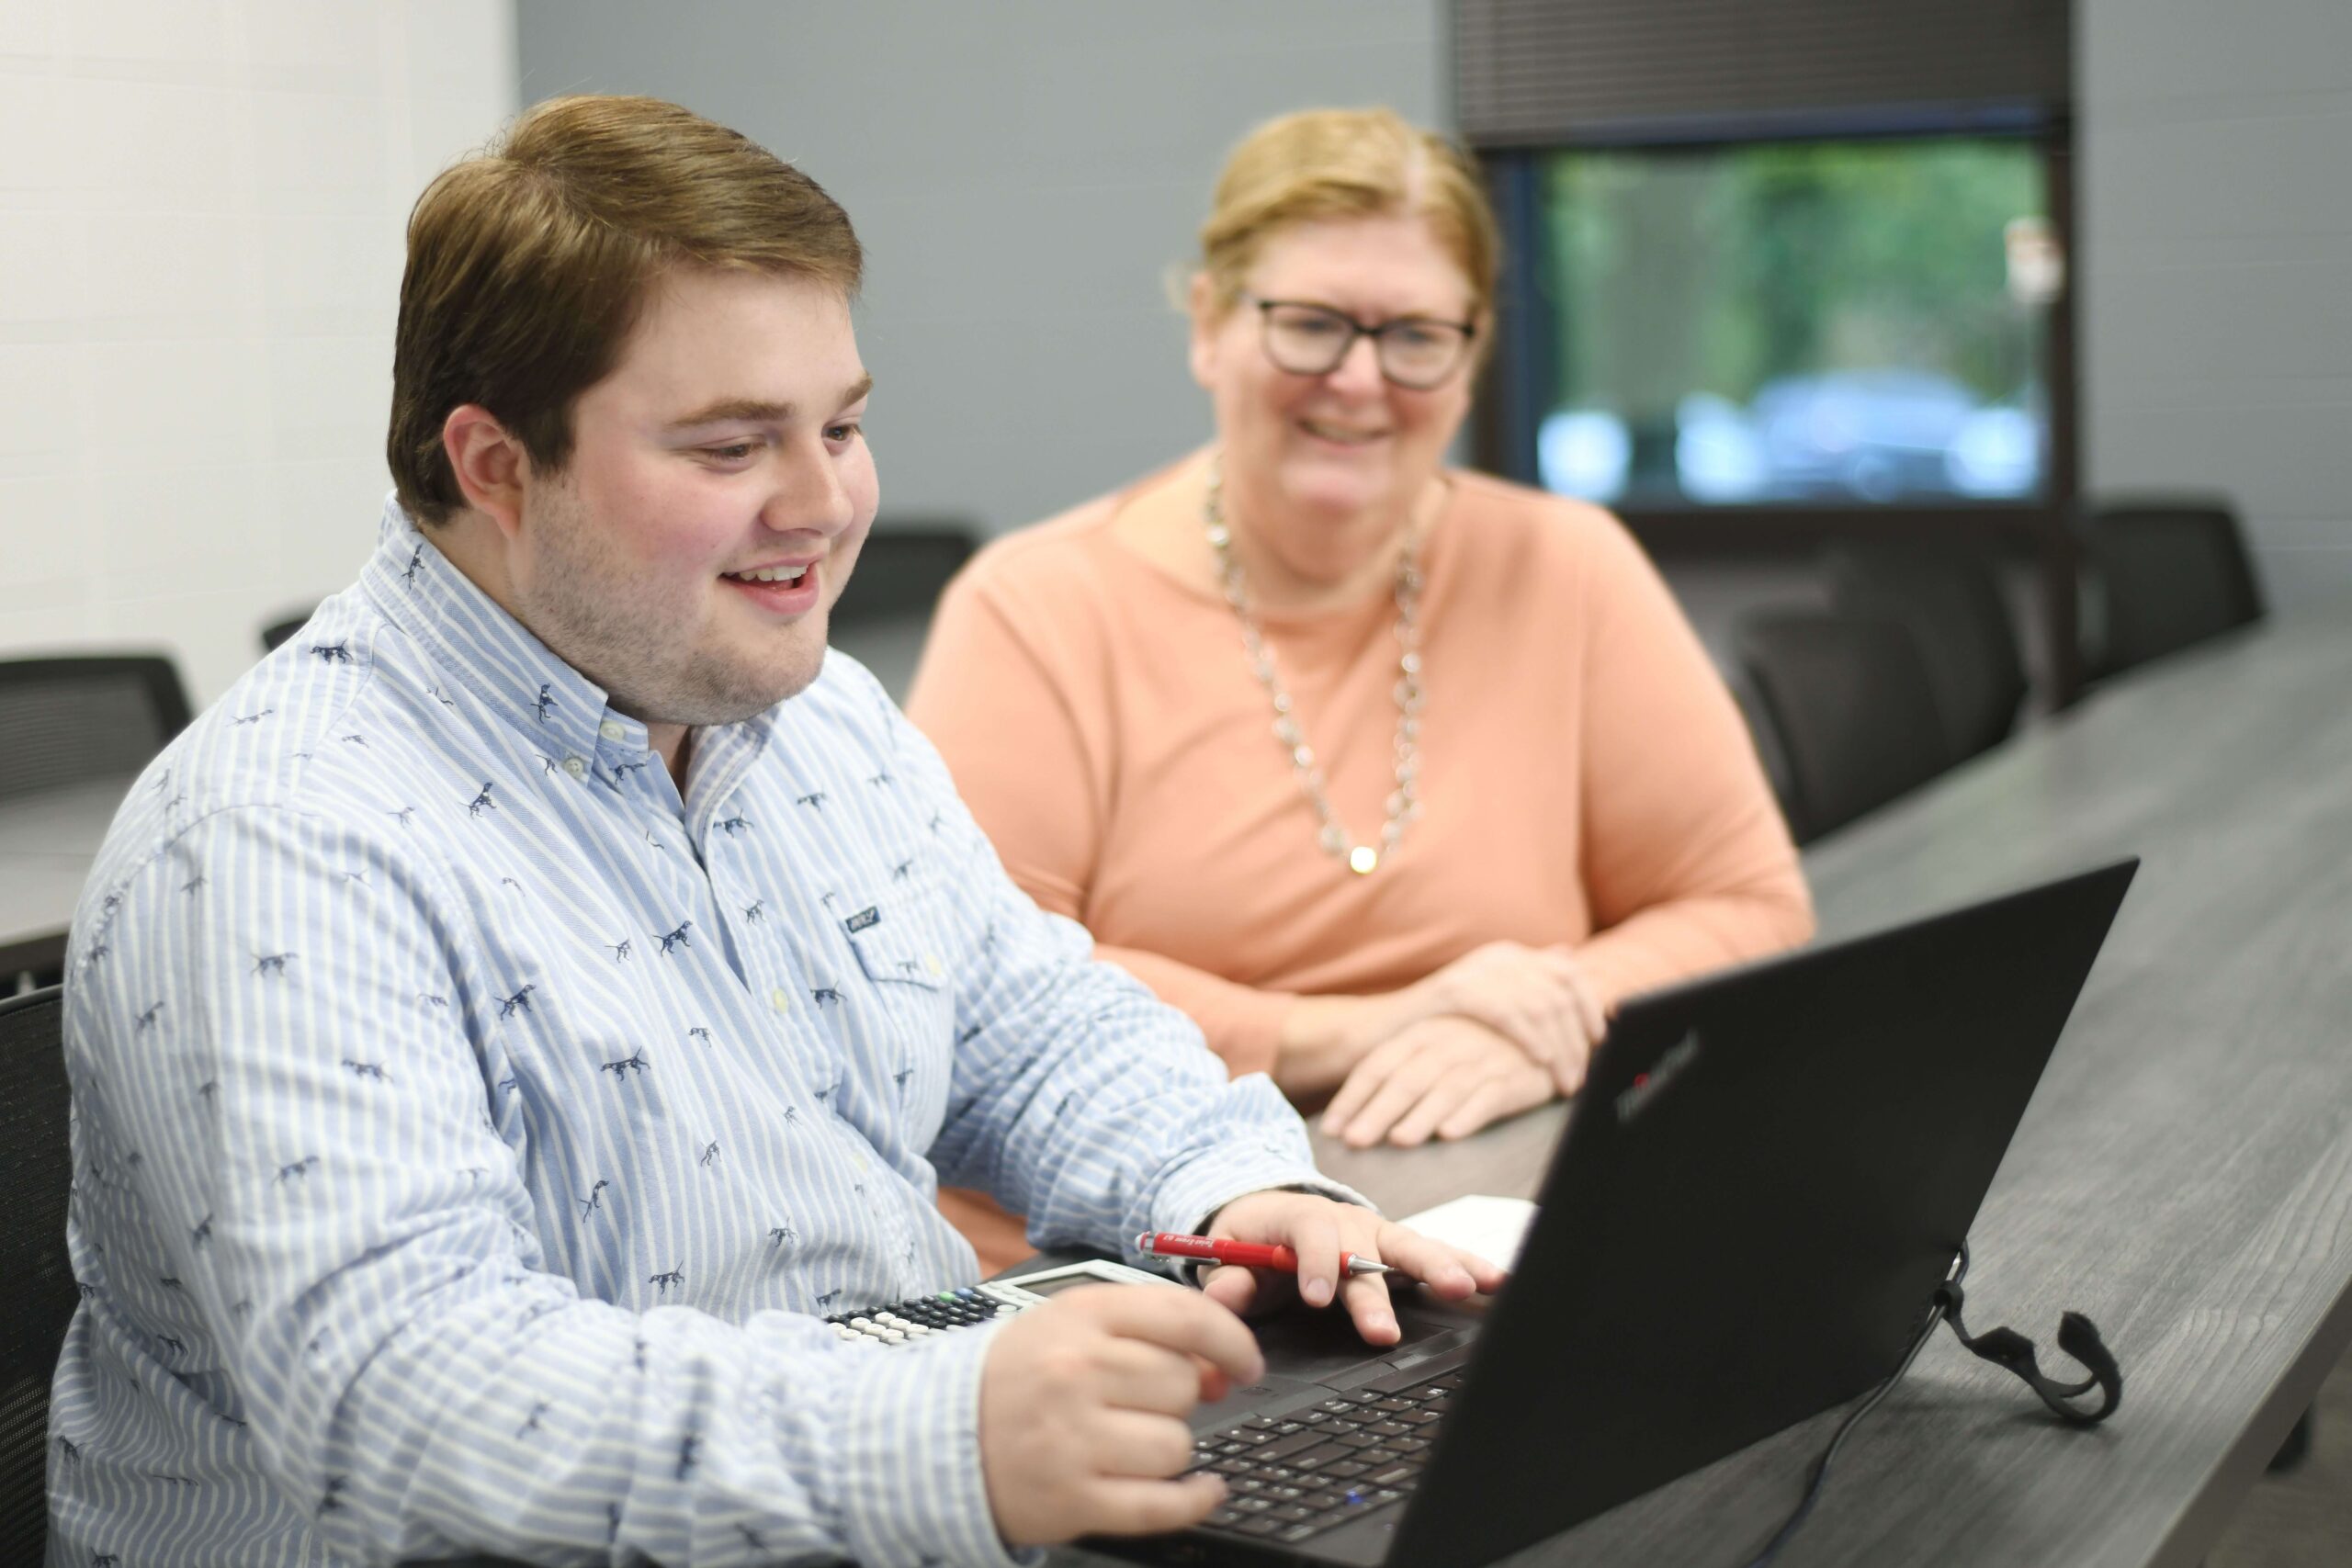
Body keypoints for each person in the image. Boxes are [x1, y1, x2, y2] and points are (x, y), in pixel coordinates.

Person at [49, 96, 1499, 1568]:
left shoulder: (810, 717)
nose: (825, 504)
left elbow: (1033, 1027)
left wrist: (1240, 1188)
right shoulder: (278, 842)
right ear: (492, 464)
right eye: (734, 445)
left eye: (844, 424)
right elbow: (405, 1396)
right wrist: (937, 1440)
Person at [908, 107, 1814, 1271]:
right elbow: (978, 996)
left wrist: (1552, 1024)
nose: (1358, 378)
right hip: (1130, 1256)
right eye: (1311, 325)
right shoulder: (1034, 606)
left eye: (1415, 335)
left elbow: (1747, 904)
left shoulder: (1568, 567)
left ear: (1473, 353)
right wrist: (1364, 1031)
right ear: (1208, 325)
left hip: (1488, 1203)